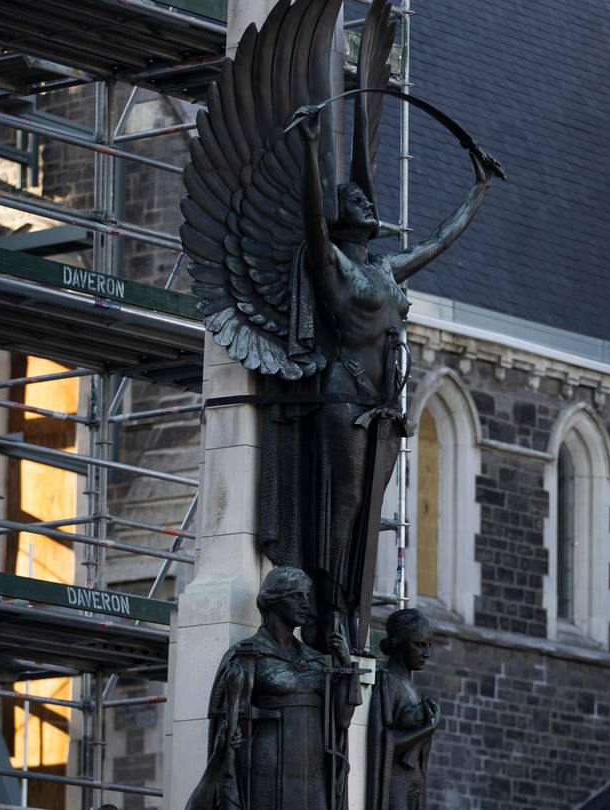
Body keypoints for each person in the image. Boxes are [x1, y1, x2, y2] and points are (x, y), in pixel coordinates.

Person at [285, 105, 496, 653]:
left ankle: (347, 608)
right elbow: (309, 215)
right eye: (355, 199)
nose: (367, 201)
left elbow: (439, 241)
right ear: (339, 216)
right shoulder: (330, 263)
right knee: (347, 504)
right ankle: (331, 613)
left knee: (365, 512)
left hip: (382, 409)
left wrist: (478, 189)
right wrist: (309, 148)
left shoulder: (383, 270)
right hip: (343, 395)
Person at [188, 567, 362, 810]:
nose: (305, 604)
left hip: (314, 772)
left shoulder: (316, 660)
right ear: (273, 601)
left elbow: (341, 720)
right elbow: (228, 723)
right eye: (295, 596)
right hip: (266, 769)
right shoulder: (249, 654)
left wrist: (346, 665)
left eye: (306, 596)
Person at [366, 609, 439, 810]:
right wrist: (427, 729)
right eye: (419, 645)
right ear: (398, 642)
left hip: (414, 781)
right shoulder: (387, 680)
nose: (426, 654)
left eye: (429, 645)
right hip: (395, 783)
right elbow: (382, 741)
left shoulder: (413, 689)